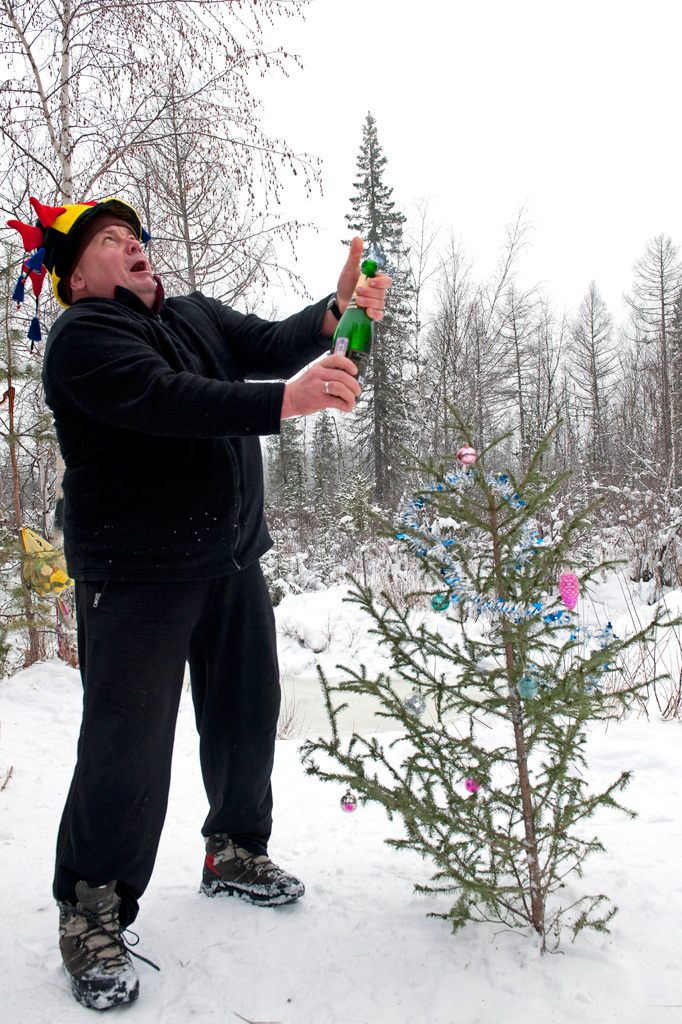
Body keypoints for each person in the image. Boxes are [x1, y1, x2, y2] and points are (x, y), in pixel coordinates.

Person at [7, 196, 392, 1010]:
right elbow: (170, 399)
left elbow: (272, 342)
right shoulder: (84, 337)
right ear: (76, 279)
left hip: (228, 556)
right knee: (127, 745)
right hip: (138, 570)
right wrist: (286, 401)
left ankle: (234, 850)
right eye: (109, 241)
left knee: (248, 710)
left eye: (133, 235)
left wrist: (336, 310)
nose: (132, 245)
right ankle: (93, 907)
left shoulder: (194, 315)